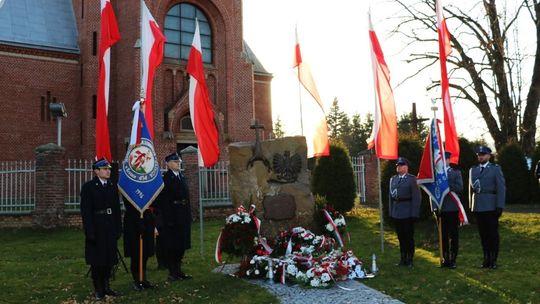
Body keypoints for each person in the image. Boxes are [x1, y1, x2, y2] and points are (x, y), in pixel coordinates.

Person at [80, 158, 122, 300]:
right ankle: (98, 288)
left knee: (109, 258)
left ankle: (107, 286)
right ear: (96, 171)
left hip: (110, 226)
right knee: (98, 260)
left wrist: (118, 227)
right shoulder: (89, 187)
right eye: (104, 169)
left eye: (109, 169)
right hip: (97, 227)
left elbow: (116, 208)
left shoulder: (111, 186)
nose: (108, 171)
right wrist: (90, 231)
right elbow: (86, 212)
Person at [154, 153, 193, 281]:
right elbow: (164, 201)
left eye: (178, 161)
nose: (178, 163)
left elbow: (186, 197)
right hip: (172, 216)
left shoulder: (182, 176)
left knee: (181, 245)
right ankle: (172, 272)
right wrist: (169, 219)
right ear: (168, 163)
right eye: (175, 162)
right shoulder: (166, 179)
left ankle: (179, 270)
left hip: (183, 214)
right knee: (173, 246)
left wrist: (188, 214)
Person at [469, 146, 505, 269]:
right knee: (483, 235)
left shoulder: (495, 169)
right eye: (479, 154)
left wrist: (499, 206)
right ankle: (486, 259)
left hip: (490, 205)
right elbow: (471, 190)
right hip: (478, 206)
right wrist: (471, 205)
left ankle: (493, 260)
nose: (481, 157)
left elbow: (501, 188)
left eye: (483, 154)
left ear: (489, 156)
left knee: (492, 234)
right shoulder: (473, 170)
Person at [389, 157, 421, 267]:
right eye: (397, 165)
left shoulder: (412, 179)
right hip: (397, 212)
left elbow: (416, 197)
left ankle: (410, 259)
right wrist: (391, 212)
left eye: (401, 165)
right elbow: (391, 197)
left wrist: (414, 214)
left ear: (406, 167)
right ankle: (402, 258)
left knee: (409, 237)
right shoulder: (393, 179)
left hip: (408, 213)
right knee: (401, 237)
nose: (399, 167)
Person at [123, 198, 156, 291]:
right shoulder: (129, 186)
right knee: (136, 253)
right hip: (133, 220)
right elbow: (129, 204)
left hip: (147, 218)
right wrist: (138, 221)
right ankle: (137, 280)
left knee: (145, 251)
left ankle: (143, 278)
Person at [439, 152, 463, 269]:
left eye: (445, 159)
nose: (444, 161)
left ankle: (453, 259)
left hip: (452, 208)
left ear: (449, 160)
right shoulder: (437, 174)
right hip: (441, 208)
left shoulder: (455, 173)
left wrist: (447, 185)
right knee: (442, 235)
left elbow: (460, 188)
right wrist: (434, 207)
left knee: (453, 235)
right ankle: (445, 258)